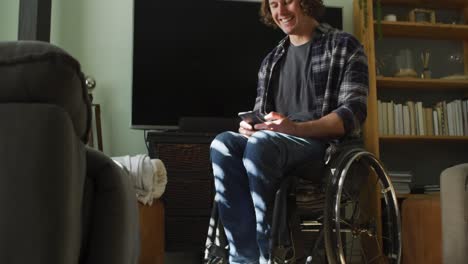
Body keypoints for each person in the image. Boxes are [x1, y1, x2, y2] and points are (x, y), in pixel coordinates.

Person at [209, 0, 368, 263]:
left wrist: (294, 128)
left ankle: (268, 256)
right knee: (223, 143)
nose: (280, 11)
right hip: (271, 145)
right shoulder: (272, 61)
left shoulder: (344, 46)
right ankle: (243, 257)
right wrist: (251, 127)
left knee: (262, 144)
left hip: (322, 149)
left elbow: (353, 114)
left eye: (288, 1)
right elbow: (262, 115)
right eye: (273, 4)